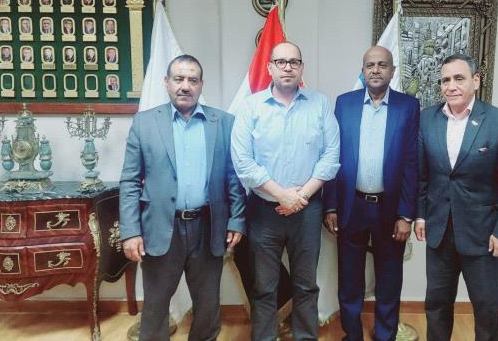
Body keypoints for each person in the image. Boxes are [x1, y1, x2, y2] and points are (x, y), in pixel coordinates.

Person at [120, 54, 245, 341]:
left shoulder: (224, 123)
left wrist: (237, 219)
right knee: (155, 308)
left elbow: (234, 177)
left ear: (201, 85)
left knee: (208, 307)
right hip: (161, 228)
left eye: (192, 80)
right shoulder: (145, 123)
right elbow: (129, 181)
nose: (185, 86)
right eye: (179, 79)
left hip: (208, 227)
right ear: (166, 82)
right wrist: (130, 232)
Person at [231, 41, 340, 341]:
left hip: (307, 210)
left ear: (302, 67)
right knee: (264, 287)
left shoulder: (320, 104)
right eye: (281, 62)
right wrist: (282, 195)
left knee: (306, 285)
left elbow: (331, 156)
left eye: (294, 62)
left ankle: (305, 336)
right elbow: (243, 162)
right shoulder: (251, 107)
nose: (288, 67)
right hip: (264, 212)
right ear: (270, 68)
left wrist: (300, 196)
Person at [415, 54, 498, 341]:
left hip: (483, 235)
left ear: (475, 81)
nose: (451, 86)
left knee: (486, 310)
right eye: (445, 80)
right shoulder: (427, 119)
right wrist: (421, 214)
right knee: (436, 306)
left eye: (459, 78)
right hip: (439, 232)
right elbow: (421, 175)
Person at [323, 46, 419, 341]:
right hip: (351, 206)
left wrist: (406, 214)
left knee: (389, 279)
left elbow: (412, 163)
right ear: (363, 71)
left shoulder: (408, 106)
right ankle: (352, 335)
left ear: (392, 71)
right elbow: (332, 155)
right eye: (370, 65)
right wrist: (331, 206)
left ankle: (385, 335)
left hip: (390, 210)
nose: (375, 70)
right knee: (349, 278)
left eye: (382, 65)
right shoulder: (345, 103)